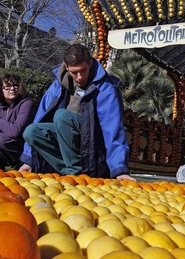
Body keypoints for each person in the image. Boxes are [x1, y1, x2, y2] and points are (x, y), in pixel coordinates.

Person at [21, 44, 135, 181]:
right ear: (67, 67)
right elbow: (41, 116)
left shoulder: (105, 88)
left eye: (83, 71)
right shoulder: (58, 84)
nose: (79, 77)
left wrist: (119, 169)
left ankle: (76, 174)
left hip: (93, 144)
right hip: (65, 139)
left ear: (90, 63)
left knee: (62, 117)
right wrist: (28, 159)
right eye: (74, 72)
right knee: (31, 131)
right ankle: (70, 172)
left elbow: (112, 129)